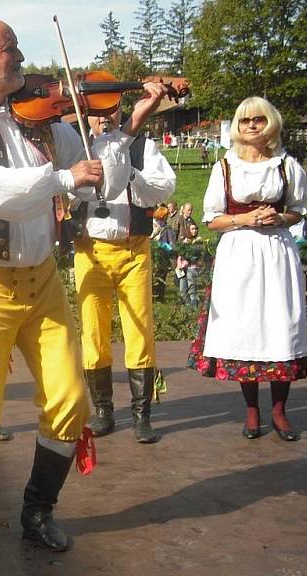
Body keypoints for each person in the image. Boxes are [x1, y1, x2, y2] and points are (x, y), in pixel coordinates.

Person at [0, 17, 159, 557]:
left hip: (40, 277)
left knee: (70, 403)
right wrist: (64, 179)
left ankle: (37, 511)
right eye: (10, 50)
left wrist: (119, 133)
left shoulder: (43, 118)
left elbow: (108, 184)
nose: (21, 59)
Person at [188, 97, 307, 442]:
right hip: (239, 250)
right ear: (237, 127)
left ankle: (280, 411)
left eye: (258, 119)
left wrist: (280, 217)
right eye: (245, 121)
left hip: (276, 251)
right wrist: (244, 218)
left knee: (279, 323)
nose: (252, 125)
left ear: (270, 123)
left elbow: (298, 210)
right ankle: (252, 409)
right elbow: (212, 219)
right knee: (246, 326)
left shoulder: (286, 165)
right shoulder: (225, 167)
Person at [76, 104, 175, 444]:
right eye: (96, 112)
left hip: (134, 249)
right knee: (93, 332)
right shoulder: (77, 146)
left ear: (121, 113)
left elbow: (164, 189)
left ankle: (141, 415)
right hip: (90, 251)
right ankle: (103, 411)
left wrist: (129, 171)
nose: (104, 117)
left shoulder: (141, 146)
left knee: (140, 330)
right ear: (86, 115)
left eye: (111, 110)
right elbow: (67, 195)